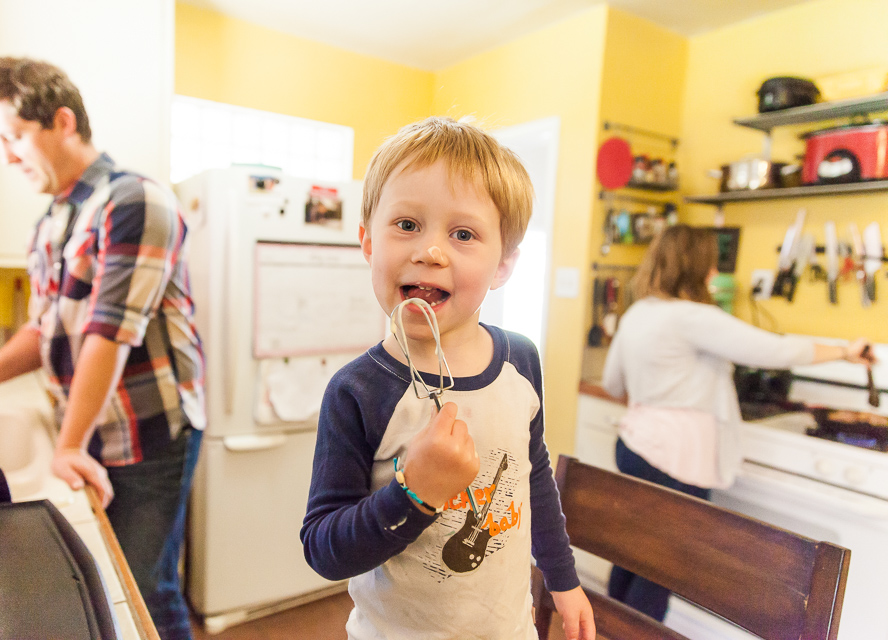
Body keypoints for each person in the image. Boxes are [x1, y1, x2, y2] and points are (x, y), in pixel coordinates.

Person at [0, 56, 206, 640]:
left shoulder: (135, 201)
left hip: (147, 431)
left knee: (144, 586)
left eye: (13, 137)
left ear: (61, 121)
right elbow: (47, 328)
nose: (5, 156)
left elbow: (110, 331)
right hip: (90, 426)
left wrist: (68, 443)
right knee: (108, 581)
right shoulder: (52, 221)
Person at [300, 116, 596, 640]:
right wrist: (415, 492)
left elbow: (533, 476)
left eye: (463, 234)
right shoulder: (357, 392)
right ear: (368, 242)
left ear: (503, 264)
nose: (430, 251)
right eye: (407, 225)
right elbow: (324, 548)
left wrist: (563, 578)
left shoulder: (520, 361)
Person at [601, 224, 872, 622]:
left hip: (635, 445)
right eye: (710, 267)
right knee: (662, 567)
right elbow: (772, 350)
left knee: (632, 553)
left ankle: (609, 628)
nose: (714, 275)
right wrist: (845, 351)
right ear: (694, 269)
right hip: (676, 456)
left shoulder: (640, 312)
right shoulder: (693, 317)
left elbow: (612, 382)